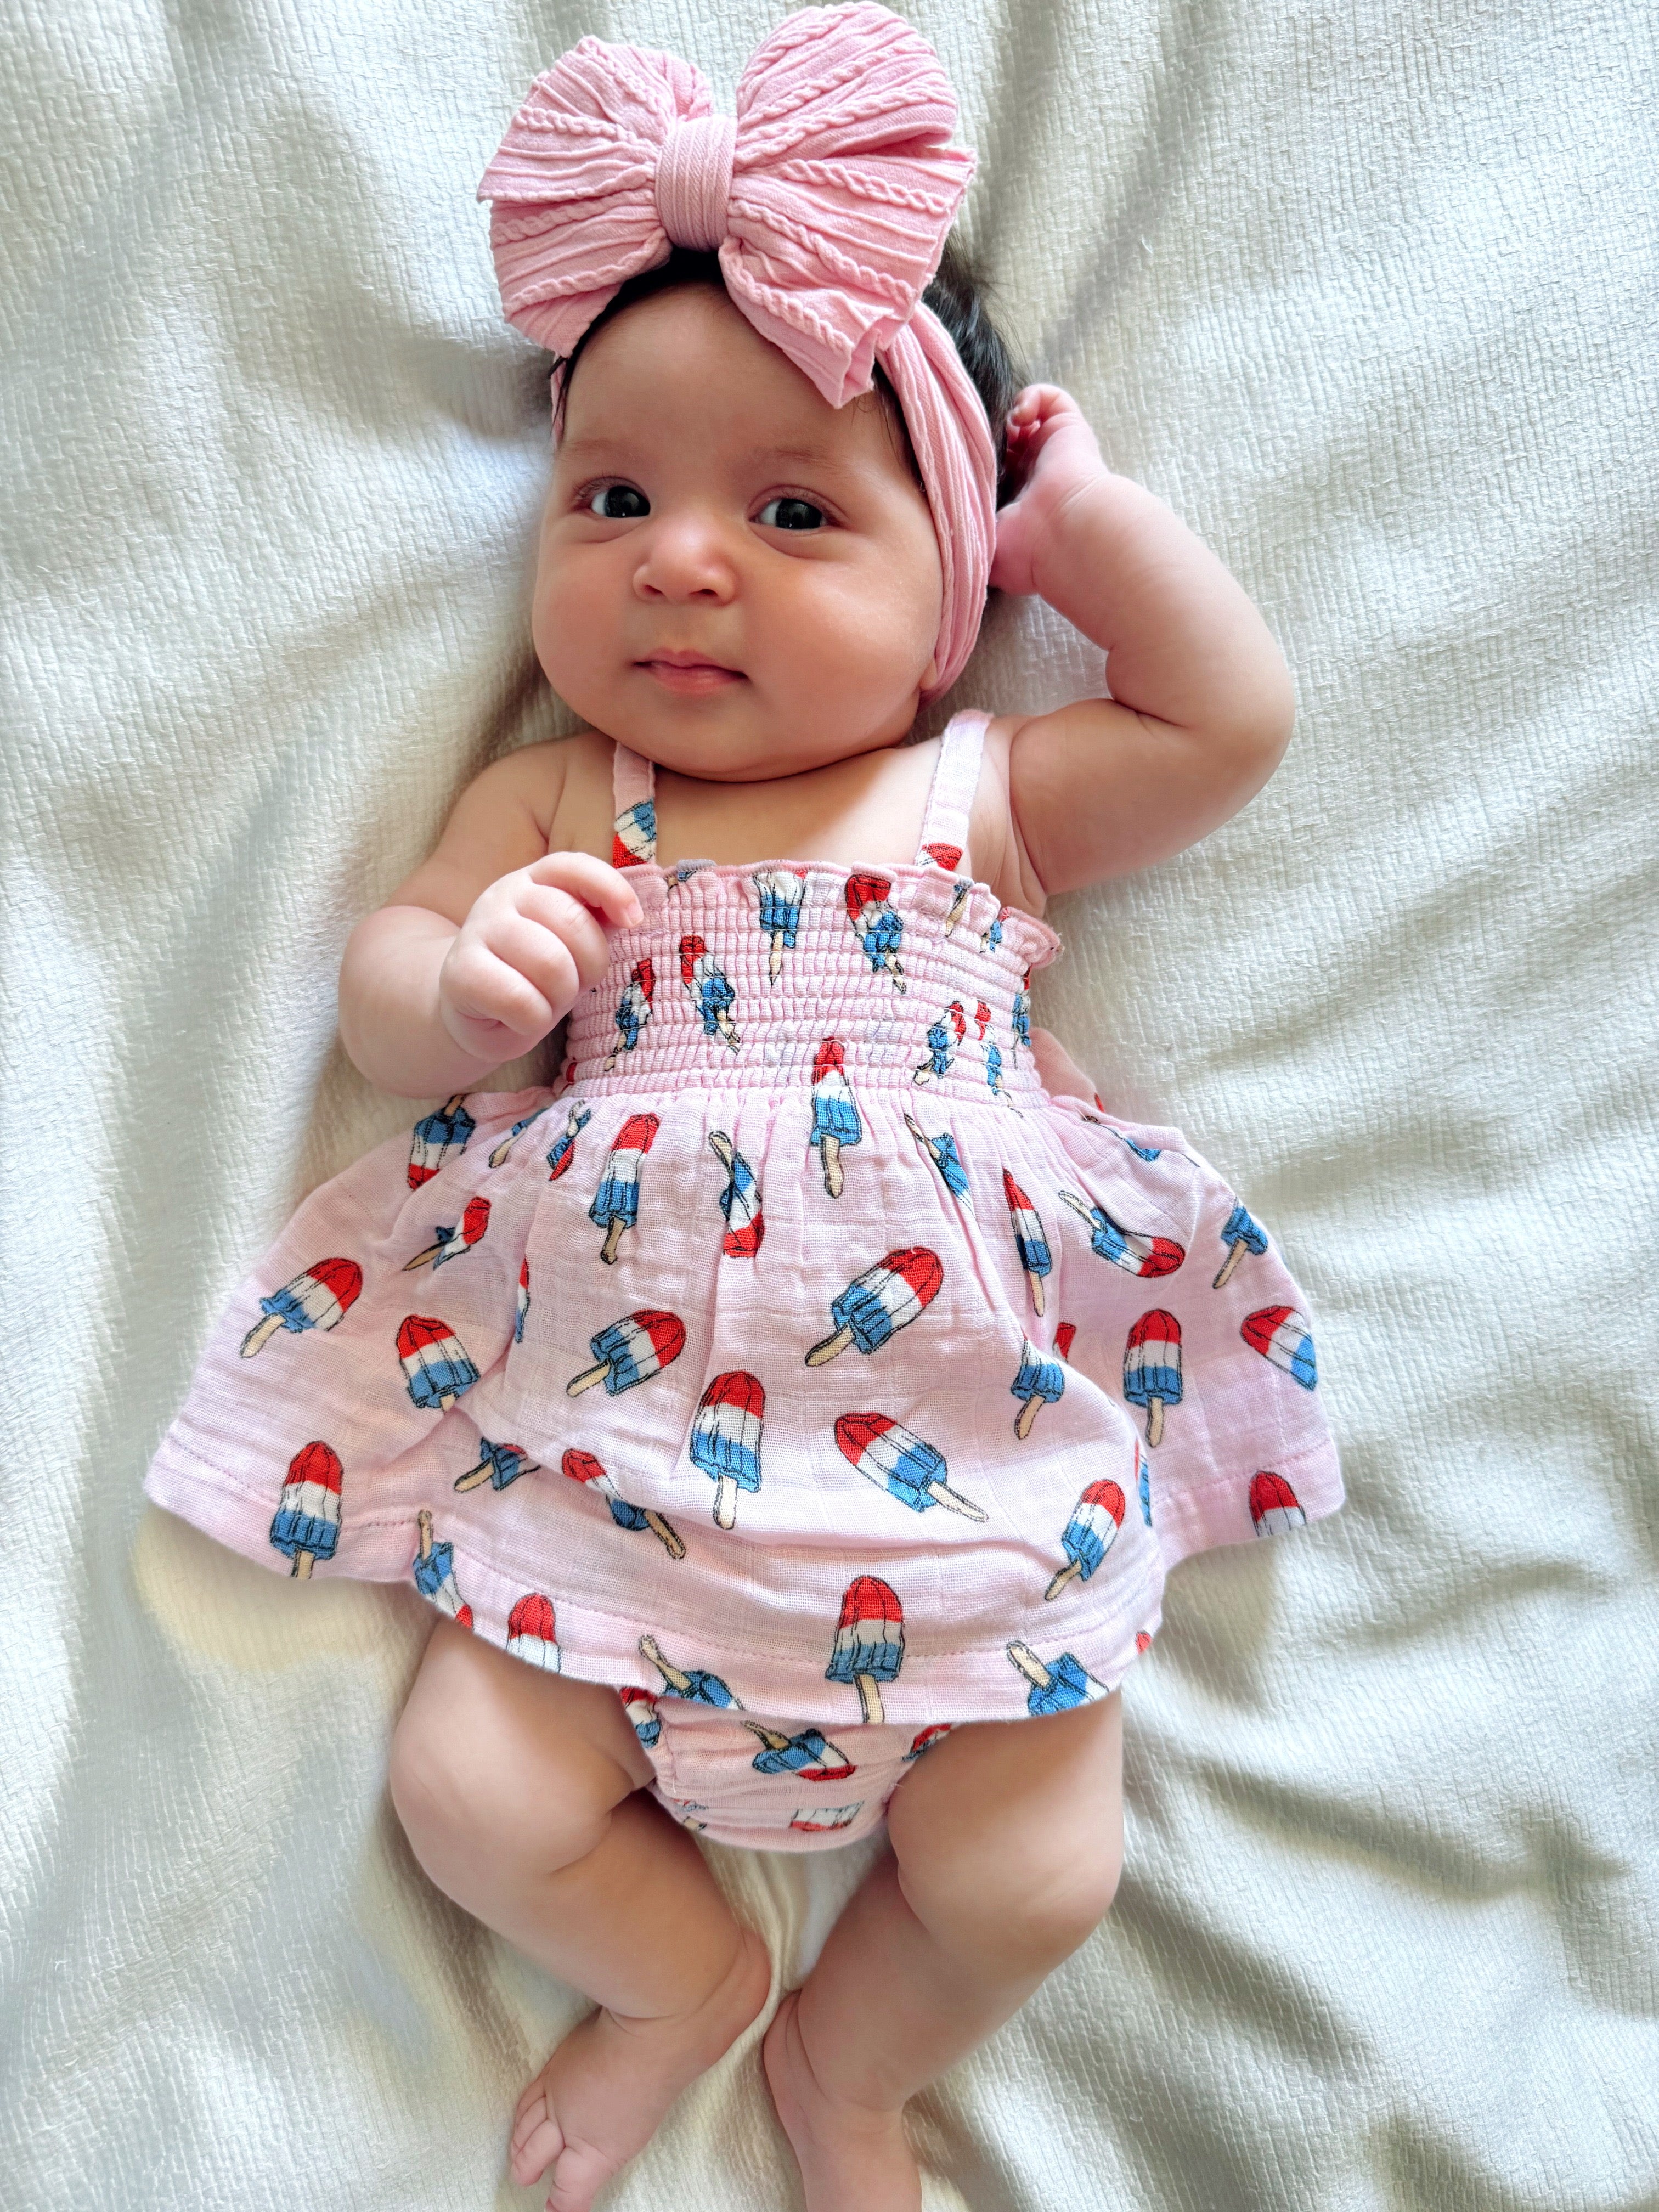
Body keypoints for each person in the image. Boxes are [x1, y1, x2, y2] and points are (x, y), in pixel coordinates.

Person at [143, 9, 1342, 2208]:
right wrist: (464, 976)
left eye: (793, 509)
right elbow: (394, 985)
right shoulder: (568, 797)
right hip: (615, 1497)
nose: (682, 561)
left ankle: (853, 2075)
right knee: (475, 1800)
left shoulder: (973, 798)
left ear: (951, 597)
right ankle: (682, 1986)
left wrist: (1090, 530)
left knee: (1033, 1876)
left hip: (964, 1513)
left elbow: (1230, 722)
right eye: (615, 499)